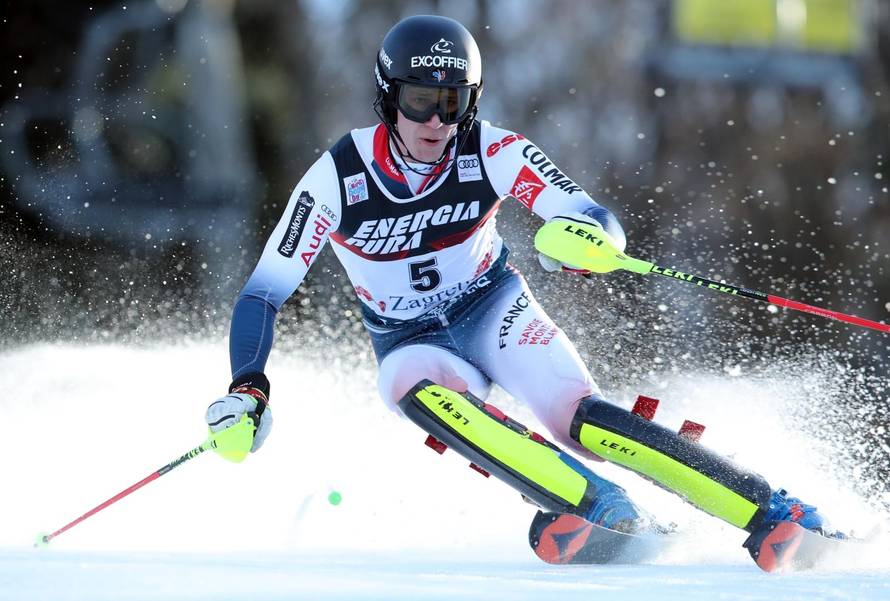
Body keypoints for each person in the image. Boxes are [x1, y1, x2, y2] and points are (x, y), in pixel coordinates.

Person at [204, 15, 839, 564]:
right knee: (406, 388)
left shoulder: (490, 149)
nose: (436, 120)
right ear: (388, 98)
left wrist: (588, 243)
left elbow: (589, 213)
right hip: (412, 336)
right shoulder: (337, 178)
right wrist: (247, 387)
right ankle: (599, 506)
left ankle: (774, 508)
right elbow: (264, 291)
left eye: (454, 102)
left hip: (492, 308)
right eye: (420, 100)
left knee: (578, 421)